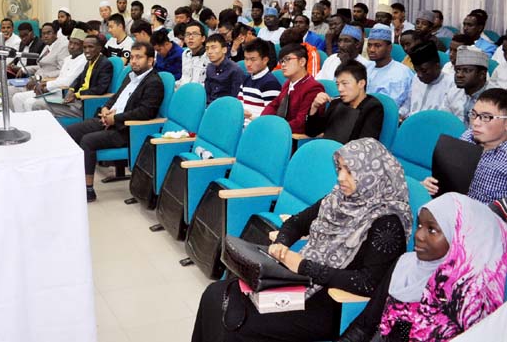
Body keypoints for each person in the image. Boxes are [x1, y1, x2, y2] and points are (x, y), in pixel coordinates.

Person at [191, 138, 411, 342]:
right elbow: (297, 222)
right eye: (340, 168)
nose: (341, 177)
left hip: (331, 303)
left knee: (238, 323)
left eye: (350, 172)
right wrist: (282, 243)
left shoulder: (388, 224)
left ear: (371, 177)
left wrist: (304, 266)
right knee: (215, 295)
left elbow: (367, 283)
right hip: (301, 281)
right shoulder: (338, 199)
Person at [339, 193, 507, 342]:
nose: (418, 235)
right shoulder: (405, 265)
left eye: (432, 230)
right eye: (420, 225)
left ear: (459, 237)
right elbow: (365, 325)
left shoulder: (471, 295)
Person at [66, 43, 163, 202]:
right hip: (108, 119)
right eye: (132, 57)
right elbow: (116, 97)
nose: (133, 61)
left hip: (125, 130)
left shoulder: (154, 82)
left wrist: (115, 118)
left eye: (139, 57)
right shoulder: (130, 76)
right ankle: (73, 180)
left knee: (88, 140)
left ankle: (88, 190)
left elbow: (146, 112)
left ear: (150, 60)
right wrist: (105, 108)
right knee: (71, 131)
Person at [305, 60, 384, 142]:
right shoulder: (336, 103)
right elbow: (311, 132)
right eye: (337, 84)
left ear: (361, 83)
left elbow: (364, 145)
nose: (340, 89)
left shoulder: (373, 108)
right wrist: (314, 107)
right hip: (327, 150)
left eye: (345, 83)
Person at [13, 28, 86, 113]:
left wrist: (46, 85)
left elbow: (68, 82)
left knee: (29, 102)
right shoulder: (68, 58)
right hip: (54, 89)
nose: (72, 46)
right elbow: (60, 78)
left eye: (76, 44)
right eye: (70, 43)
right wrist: (43, 83)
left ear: (83, 46)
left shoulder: (83, 60)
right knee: (17, 97)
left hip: (64, 93)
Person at [263, 43, 323, 134]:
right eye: (282, 61)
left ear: (302, 62)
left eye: (287, 59)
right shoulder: (288, 83)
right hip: (280, 132)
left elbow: (300, 123)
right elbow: (273, 105)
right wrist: (264, 121)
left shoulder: (313, 88)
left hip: (293, 139)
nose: (283, 64)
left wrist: (275, 128)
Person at [49, 35, 114, 119]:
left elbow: (100, 89)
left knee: (40, 106)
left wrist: (77, 95)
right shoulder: (90, 61)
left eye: (90, 47)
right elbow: (79, 78)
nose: (87, 51)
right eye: (84, 47)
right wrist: (71, 89)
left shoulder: (104, 64)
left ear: (99, 48)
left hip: (85, 104)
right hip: (76, 101)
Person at [399, 41, 454, 119]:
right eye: (416, 70)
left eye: (424, 70)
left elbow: (444, 117)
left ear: (437, 66)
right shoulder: (416, 78)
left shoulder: (451, 84)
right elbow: (407, 104)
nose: (419, 75)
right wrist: (400, 115)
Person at [367, 24, 414, 109]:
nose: (372, 50)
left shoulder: (401, 73)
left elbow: (393, 105)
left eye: (377, 46)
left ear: (389, 48)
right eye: (369, 45)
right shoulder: (366, 68)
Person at [0, 21, 44, 87]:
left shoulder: (40, 44)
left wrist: (22, 69)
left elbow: (40, 65)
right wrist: (11, 65)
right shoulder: (22, 43)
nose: (23, 38)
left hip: (23, 73)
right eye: (21, 36)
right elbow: (17, 58)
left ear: (31, 33)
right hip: (14, 70)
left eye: (25, 35)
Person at [237, 38, 281, 125]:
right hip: (240, 125)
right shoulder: (246, 79)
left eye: (253, 59)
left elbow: (270, 119)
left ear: (265, 60)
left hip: (257, 128)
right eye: (246, 59)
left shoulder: (270, 84)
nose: (248, 64)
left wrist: (249, 116)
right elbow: (239, 105)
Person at [446, 46, 491, 126]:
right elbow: (445, 120)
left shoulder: (495, 98)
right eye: (457, 70)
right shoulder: (453, 92)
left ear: (482, 74)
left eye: (466, 70)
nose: (459, 75)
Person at [204, 34, 245, 105]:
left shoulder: (235, 70)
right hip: (209, 106)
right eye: (207, 48)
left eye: (213, 48)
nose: (209, 52)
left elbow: (235, 98)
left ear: (224, 50)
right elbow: (207, 93)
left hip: (226, 107)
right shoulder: (209, 68)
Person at [177, 21, 209, 89]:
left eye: (195, 34)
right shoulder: (185, 54)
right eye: (187, 34)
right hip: (184, 91)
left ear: (203, 38)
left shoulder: (209, 56)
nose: (190, 37)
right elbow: (184, 78)